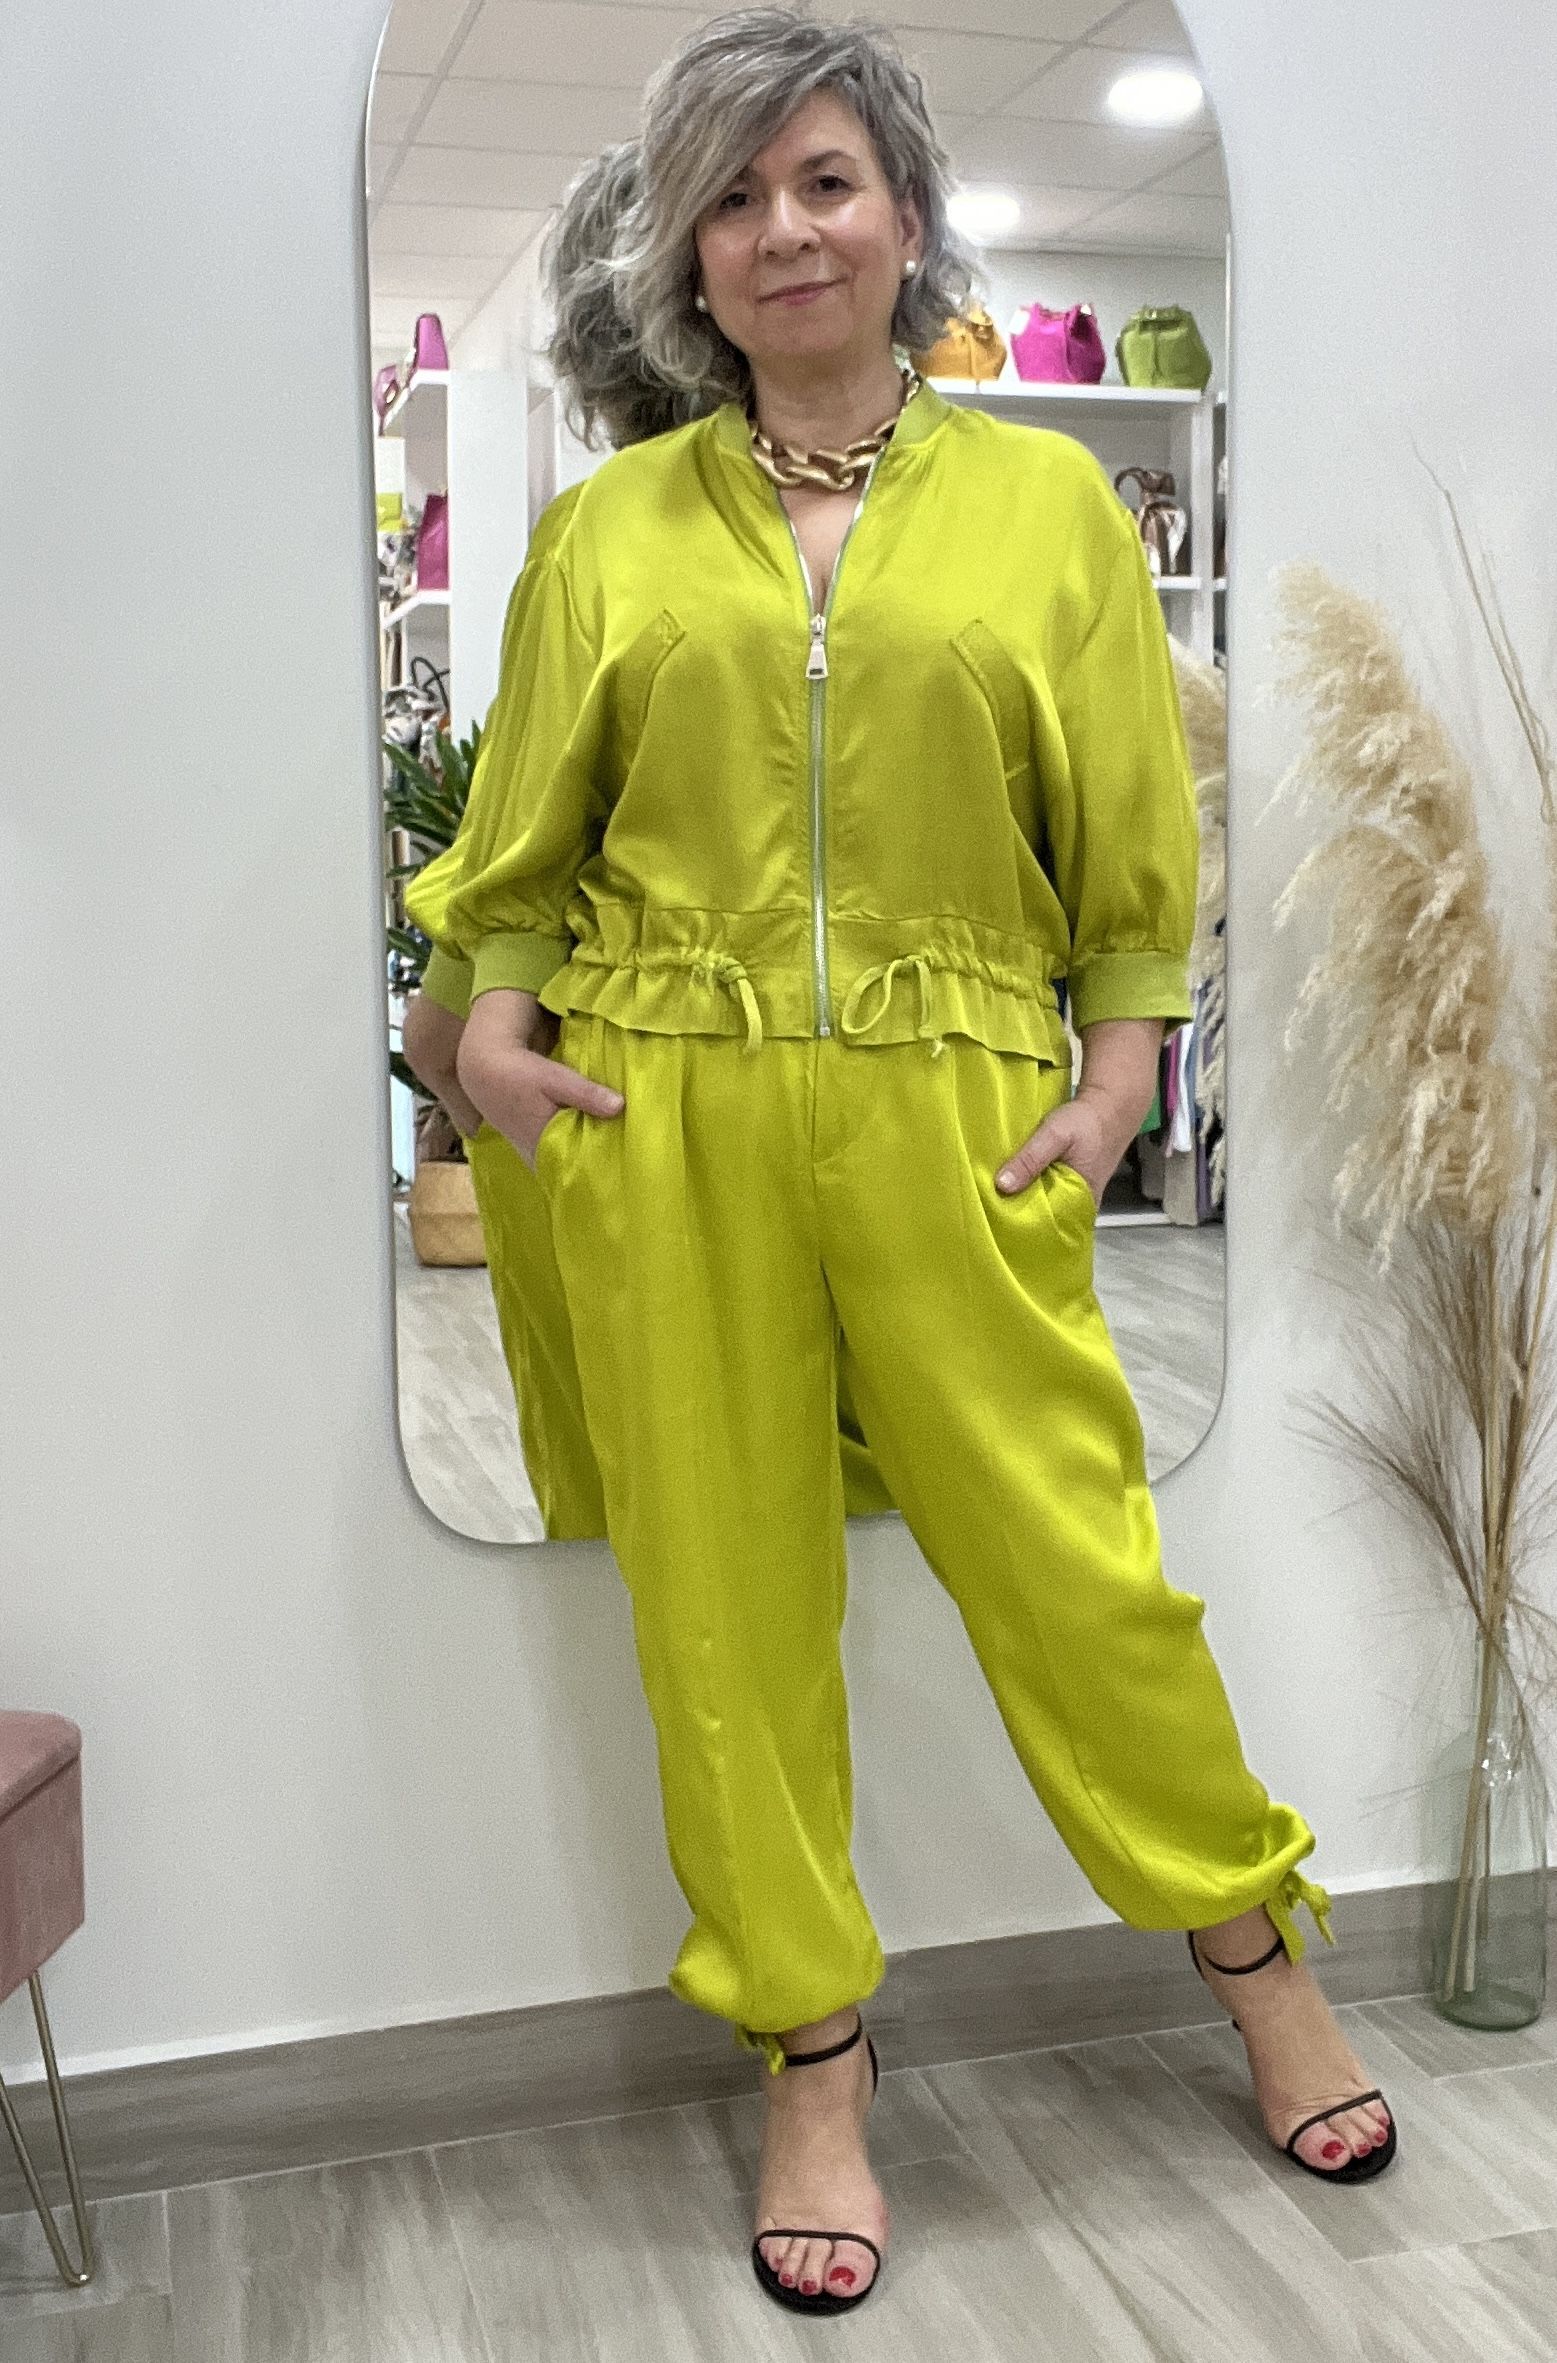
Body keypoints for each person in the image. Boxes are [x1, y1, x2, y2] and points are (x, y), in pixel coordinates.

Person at [417, 5, 1400, 2317]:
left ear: (905, 215)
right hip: (669, 1109)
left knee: (1071, 1563)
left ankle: (1254, 1957)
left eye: (822, 179)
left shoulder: (1045, 512)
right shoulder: (608, 532)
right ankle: (812, 2059)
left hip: (955, 1103)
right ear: (683, 249)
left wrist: (1123, 1062)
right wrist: (485, 1037)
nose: (780, 228)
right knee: (723, 1615)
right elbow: (525, 845)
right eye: (731, 194)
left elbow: (1127, 837)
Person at [398, 144, 898, 1533]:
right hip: (890, 1121)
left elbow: (455, 1006)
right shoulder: (939, 538)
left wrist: (483, 1072)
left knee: (666, 1529)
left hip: (647, 1120)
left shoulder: (607, 544)